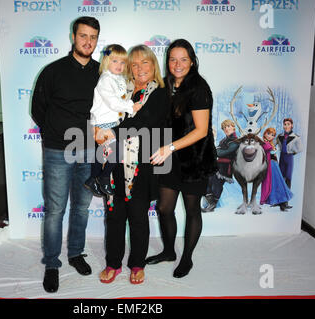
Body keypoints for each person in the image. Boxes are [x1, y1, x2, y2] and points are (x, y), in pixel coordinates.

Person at [31, 16, 100, 293]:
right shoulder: (53, 71)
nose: (88, 42)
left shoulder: (102, 72)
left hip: (89, 150)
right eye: (83, 36)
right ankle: (51, 263)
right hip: (58, 150)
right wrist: (54, 135)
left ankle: (75, 253)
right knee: (55, 210)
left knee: (81, 208)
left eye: (93, 37)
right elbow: (38, 109)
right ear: (74, 36)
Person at [95, 45, 170, 285]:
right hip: (114, 162)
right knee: (114, 216)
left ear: (153, 65)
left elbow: (143, 123)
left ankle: (137, 263)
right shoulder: (119, 89)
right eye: (134, 64)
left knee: (138, 216)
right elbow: (99, 113)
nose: (139, 69)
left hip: (141, 164)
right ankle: (113, 263)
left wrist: (109, 132)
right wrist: (97, 130)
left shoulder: (158, 93)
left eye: (144, 63)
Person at [146, 39, 217, 278]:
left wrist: (170, 148)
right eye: (173, 59)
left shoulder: (198, 87)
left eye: (183, 59)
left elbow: (201, 130)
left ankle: (186, 258)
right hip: (168, 156)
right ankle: (168, 251)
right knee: (164, 208)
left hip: (194, 160)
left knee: (192, 208)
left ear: (192, 61)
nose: (178, 64)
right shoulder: (164, 84)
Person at [85, 44, 143, 197]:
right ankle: (103, 177)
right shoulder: (105, 79)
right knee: (116, 153)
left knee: (101, 153)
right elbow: (113, 102)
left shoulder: (118, 79)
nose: (119, 65)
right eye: (115, 61)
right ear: (106, 61)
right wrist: (131, 107)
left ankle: (92, 178)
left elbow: (122, 95)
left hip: (112, 122)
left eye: (123, 62)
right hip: (104, 122)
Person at [202, 119, 239, 212]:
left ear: (233, 127)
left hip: (226, 166)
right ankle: (210, 203)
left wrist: (218, 150)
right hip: (218, 164)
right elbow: (218, 151)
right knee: (208, 181)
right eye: (224, 127)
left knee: (216, 184)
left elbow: (225, 152)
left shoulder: (235, 140)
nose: (226, 129)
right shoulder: (224, 140)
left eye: (228, 126)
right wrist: (219, 151)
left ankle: (212, 205)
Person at [260, 127, 293, 211]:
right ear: (265, 133)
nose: (270, 136)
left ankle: (281, 202)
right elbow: (270, 151)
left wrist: (274, 150)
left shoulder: (269, 142)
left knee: (278, 183)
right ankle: (280, 203)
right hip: (270, 165)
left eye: (272, 135)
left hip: (274, 164)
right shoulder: (264, 142)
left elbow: (272, 151)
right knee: (277, 183)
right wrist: (274, 150)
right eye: (269, 134)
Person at [276, 118, 302, 209]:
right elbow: (275, 145)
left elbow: (299, 149)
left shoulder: (296, 137)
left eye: (288, 124)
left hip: (289, 158)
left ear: (292, 125)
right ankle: (279, 201)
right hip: (281, 158)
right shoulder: (279, 136)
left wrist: (291, 151)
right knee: (280, 179)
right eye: (285, 124)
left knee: (288, 179)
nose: (286, 126)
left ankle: (285, 202)